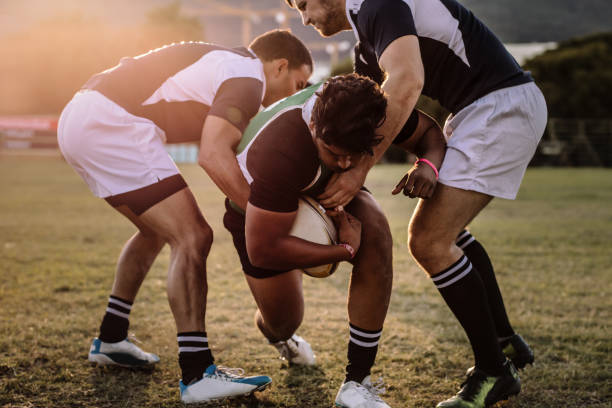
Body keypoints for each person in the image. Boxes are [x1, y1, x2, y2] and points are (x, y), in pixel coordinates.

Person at [284, 1, 547, 407]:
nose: (304, 18)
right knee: (446, 234)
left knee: (428, 240)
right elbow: (362, 119)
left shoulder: (377, 4)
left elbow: (406, 82)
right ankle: (504, 342)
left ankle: (494, 370)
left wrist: (357, 174)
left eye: (303, 3)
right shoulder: (366, 47)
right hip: (483, 109)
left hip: (499, 106)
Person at [57, 29, 312, 404]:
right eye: (298, 83)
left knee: (153, 231)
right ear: (279, 66)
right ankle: (197, 374)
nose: (295, 94)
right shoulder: (248, 77)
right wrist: (266, 218)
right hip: (109, 121)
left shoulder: (231, 67)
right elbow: (213, 155)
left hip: (85, 116)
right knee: (193, 236)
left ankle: (111, 337)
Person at [220, 73, 446, 408]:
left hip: (319, 190)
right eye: (333, 152)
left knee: (376, 230)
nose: (345, 164)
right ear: (313, 125)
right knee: (283, 322)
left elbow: (430, 134)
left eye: (355, 155)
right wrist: (344, 249)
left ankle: (358, 381)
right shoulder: (281, 147)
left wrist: (428, 165)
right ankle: (280, 336)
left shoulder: (369, 110)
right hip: (258, 216)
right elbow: (265, 249)